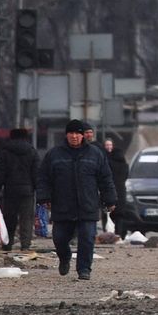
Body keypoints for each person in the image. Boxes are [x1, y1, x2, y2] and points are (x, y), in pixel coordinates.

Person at [37, 119, 116, 280]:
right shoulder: (54, 154)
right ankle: (64, 257)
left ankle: (84, 269)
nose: (74, 136)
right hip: (62, 205)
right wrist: (44, 197)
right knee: (59, 238)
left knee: (87, 238)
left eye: (77, 133)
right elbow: (43, 178)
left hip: (87, 204)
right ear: (66, 135)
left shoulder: (95, 154)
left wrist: (110, 199)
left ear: (83, 136)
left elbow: (106, 178)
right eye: (71, 133)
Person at [0, 128, 39, 250]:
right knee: (26, 218)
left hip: (10, 190)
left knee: (9, 217)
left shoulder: (5, 152)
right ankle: (25, 245)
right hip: (27, 191)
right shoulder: (32, 151)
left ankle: (8, 244)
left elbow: (0, 174)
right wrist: (38, 191)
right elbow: (36, 174)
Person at [102, 135, 129, 232]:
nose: (108, 147)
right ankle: (119, 234)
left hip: (108, 190)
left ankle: (107, 234)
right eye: (107, 145)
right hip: (121, 191)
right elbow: (126, 176)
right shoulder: (124, 165)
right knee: (119, 215)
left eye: (110, 145)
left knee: (106, 213)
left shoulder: (105, 162)